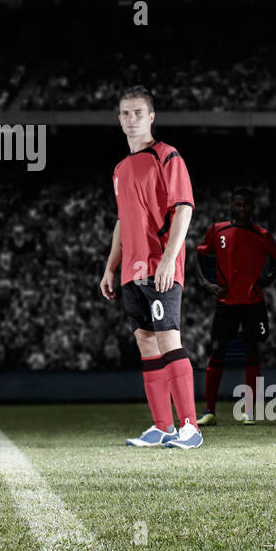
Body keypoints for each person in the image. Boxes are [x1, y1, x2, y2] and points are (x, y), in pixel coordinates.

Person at [99, 85, 201, 449]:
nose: (131, 119)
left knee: (168, 339)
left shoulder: (167, 155)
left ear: (152, 116)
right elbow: (123, 222)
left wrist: (170, 258)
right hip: (131, 270)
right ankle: (162, 426)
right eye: (125, 113)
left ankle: (190, 427)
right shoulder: (120, 168)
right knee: (145, 342)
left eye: (138, 112)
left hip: (160, 265)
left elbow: (184, 208)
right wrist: (110, 267)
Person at [195, 187, 276, 426]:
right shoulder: (218, 229)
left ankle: (249, 411)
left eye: (246, 205)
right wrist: (206, 283)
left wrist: (266, 280)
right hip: (226, 302)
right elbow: (198, 254)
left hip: (252, 302)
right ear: (232, 206)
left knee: (251, 353)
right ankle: (209, 411)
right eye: (238, 204)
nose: (242, 208)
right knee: (217, 351)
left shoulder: (262, 235)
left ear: (252, 207)